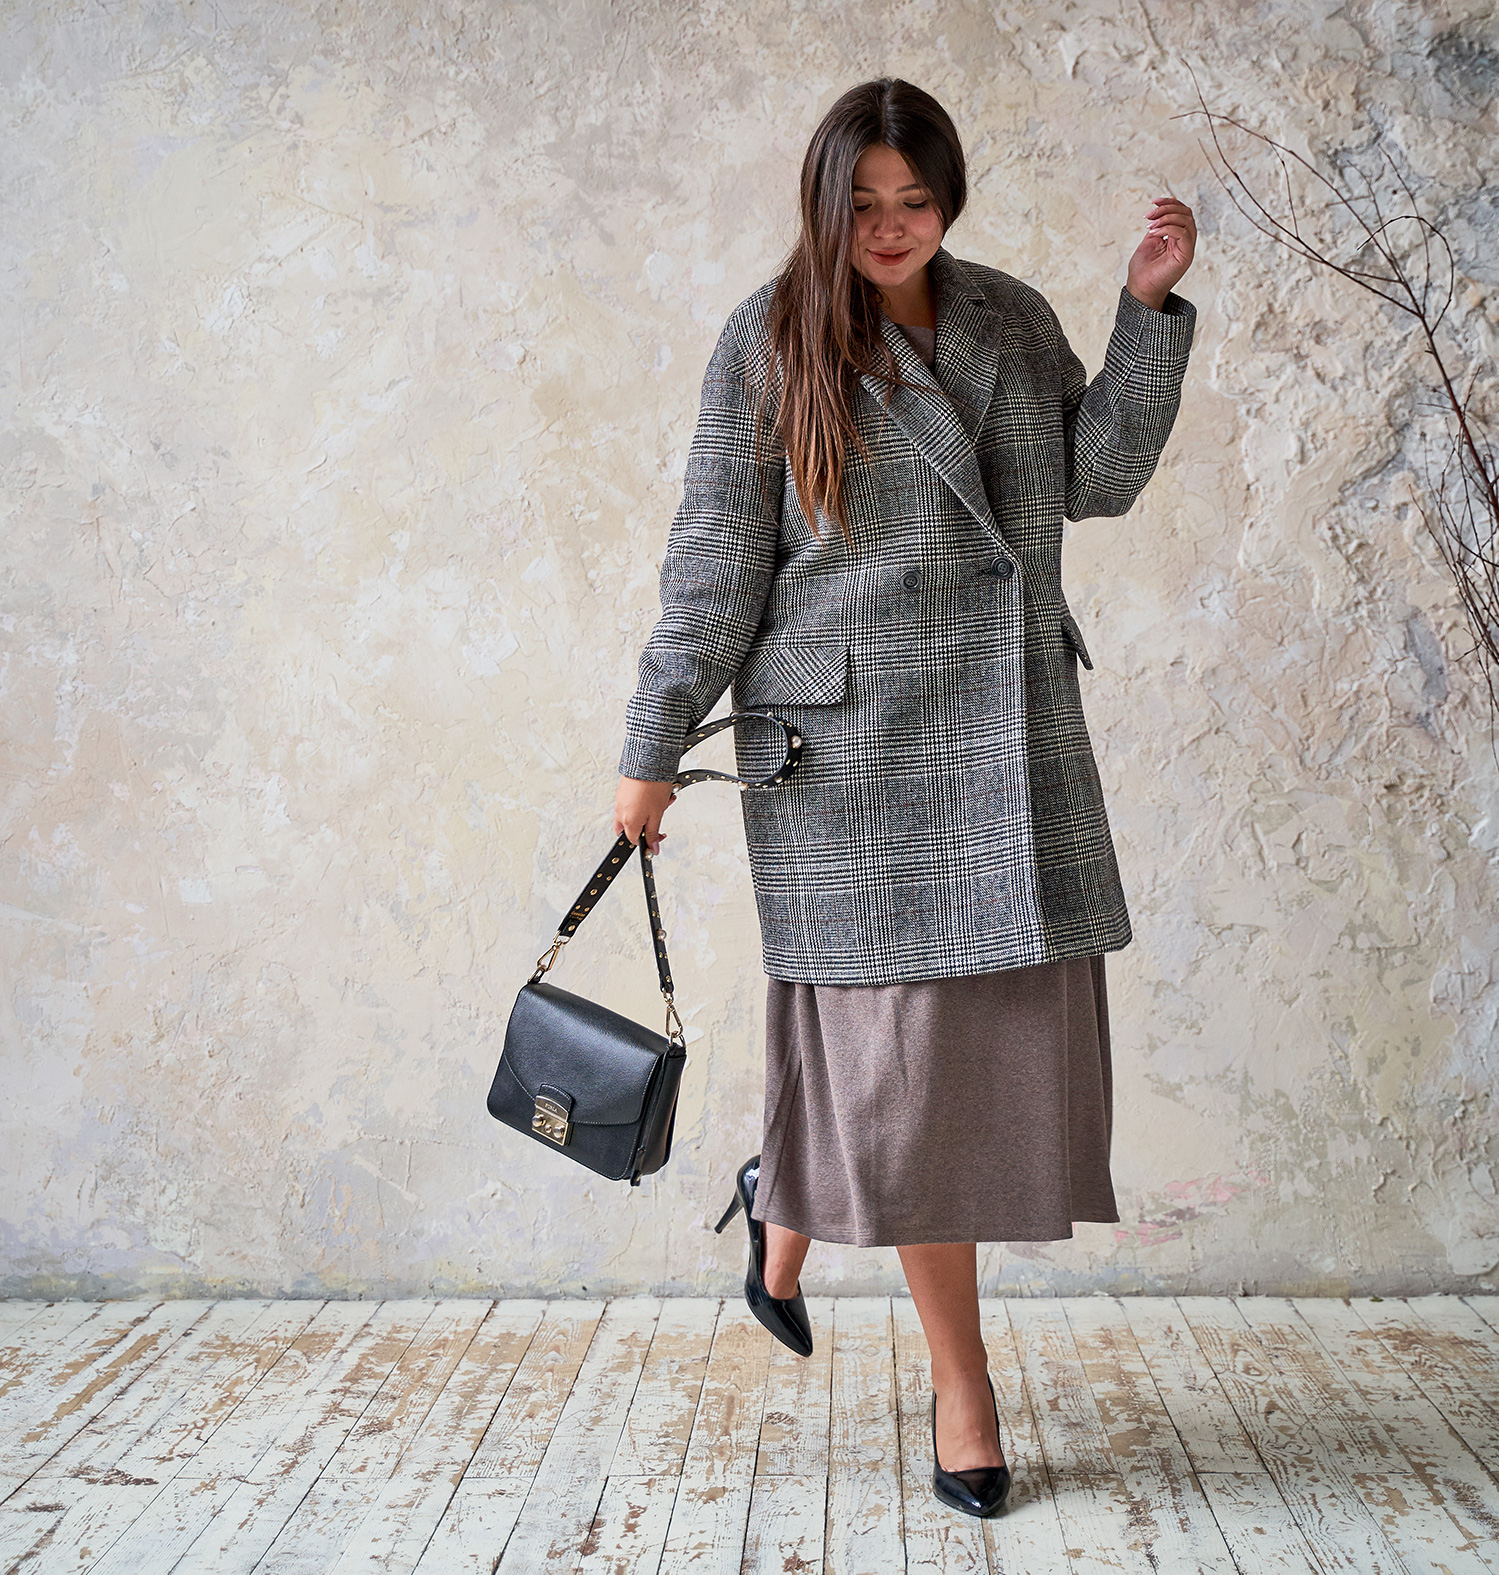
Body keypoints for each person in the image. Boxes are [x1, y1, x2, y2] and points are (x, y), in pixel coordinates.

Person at [614, 77, 1197, 1518]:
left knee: (951, 1078)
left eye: (915, 202)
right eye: (864, 204)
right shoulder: (770, 338)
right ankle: (963, 1390)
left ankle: (784, 1193)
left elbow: (1094, 482)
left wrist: (1143, 313)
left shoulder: (1006, 318)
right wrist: (651, 748)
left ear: (951, 201)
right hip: (848, 763)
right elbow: (714, 564)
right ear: (825, 203)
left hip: (999, 730)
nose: (889, 228)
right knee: (911, 1085)